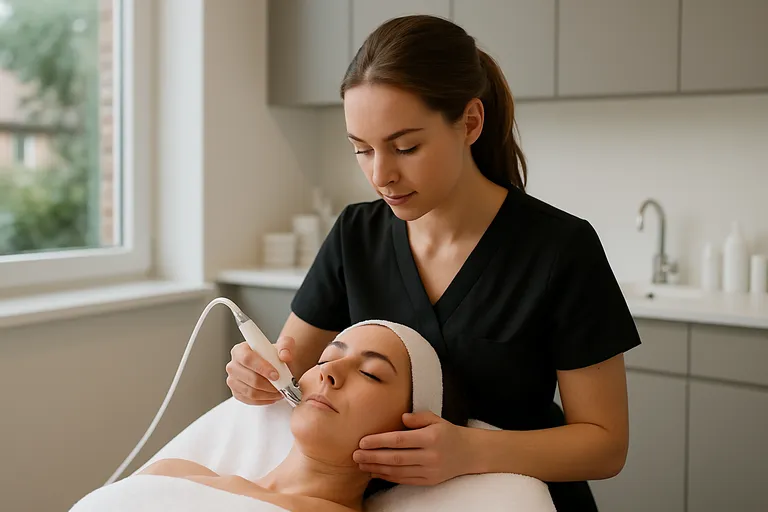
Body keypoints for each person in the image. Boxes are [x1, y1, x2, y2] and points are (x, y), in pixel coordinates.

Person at [226, 14, 642, 512]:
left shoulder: (558, 248)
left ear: (469, 122)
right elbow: (293, 366)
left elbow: (605, 443)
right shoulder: (357, 235)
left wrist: (469, 451)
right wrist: (261, 373)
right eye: (362, 150)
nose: (381, 175)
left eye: (406, 147)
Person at [70, 321, 469, 512]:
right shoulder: (171, 472)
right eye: (327, 357)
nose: (329, 372)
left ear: (408, 432)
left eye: (370, 373)